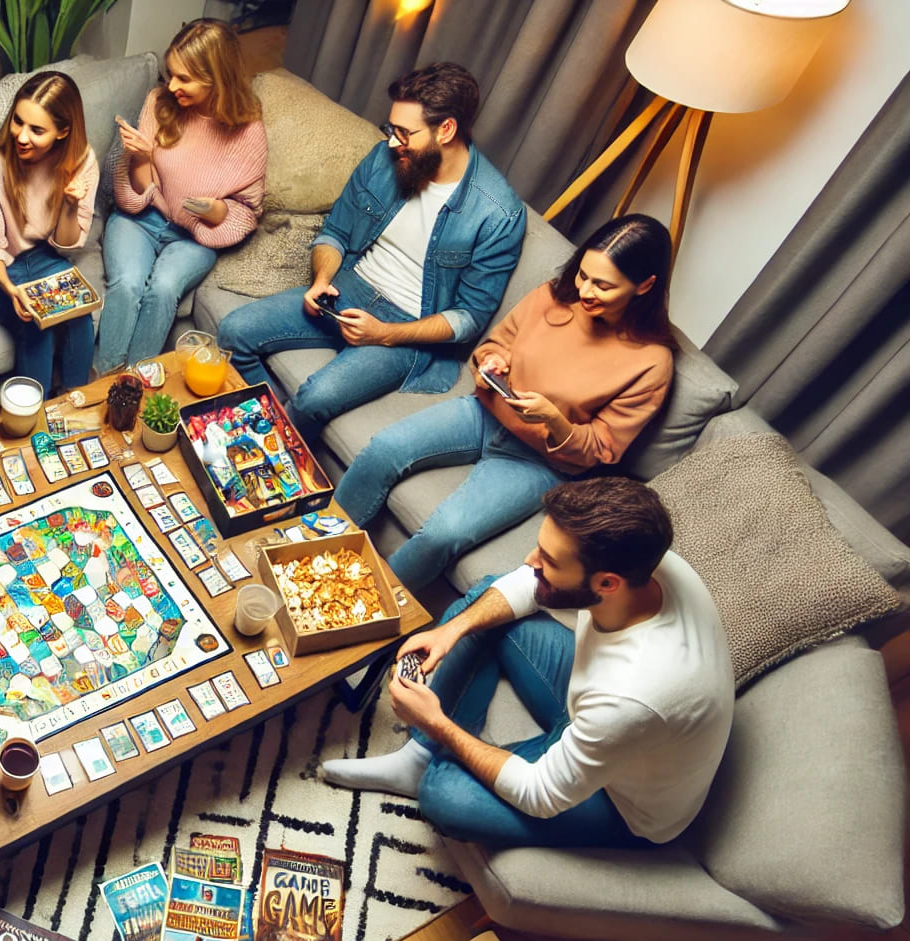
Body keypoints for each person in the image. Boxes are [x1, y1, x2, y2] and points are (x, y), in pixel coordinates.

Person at [321, 479, 733, 849]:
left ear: (607, 583)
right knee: (487, 599)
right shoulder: (646, 563)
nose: (530, 558)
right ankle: (418, 756)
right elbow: (526, 585)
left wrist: (438, 725)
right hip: (598, 711)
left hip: (622, 799)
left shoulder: (633, 694)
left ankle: (428, 758)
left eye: (549, 561)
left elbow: (541, 794)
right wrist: (451, 632)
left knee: (442, 796)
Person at [332, 214, 677, 591]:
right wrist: (492, 361)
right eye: (583, 275)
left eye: (603, 285)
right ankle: (314, 548)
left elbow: (600, 450)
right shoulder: (554, 295)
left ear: (645, 285)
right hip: (484, 412)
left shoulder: (651, 363)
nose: (585, 291)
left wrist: (554, 420)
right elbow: (497, 343)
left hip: (538, 463)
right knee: (383, 449)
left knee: (444, 533)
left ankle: (361, 605)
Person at [219, 63, 523, 435]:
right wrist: (323, 278)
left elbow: (468, 318)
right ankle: (261, 432)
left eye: (404, 133)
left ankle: (268, 449)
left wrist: (385, 334)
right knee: (234, 330)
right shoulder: (384, 159)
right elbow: (335, 233)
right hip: (348, 289)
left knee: (316, 397)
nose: (393, 142)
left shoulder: (497, 212)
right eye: (391, 129)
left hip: (408, 324)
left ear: (446, 130)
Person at [99, 18, 265, 372]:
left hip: (194, 237)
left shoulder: (248, 132)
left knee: (163, 288)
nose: (171, 85)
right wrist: (141, 157)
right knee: (127, 285)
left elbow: (247, 212)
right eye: (170, 73)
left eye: (185, 78)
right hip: (141, 220)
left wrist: (217, 211)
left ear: (217, 78)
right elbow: (133, 195)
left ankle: (136, 383)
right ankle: (103, 379)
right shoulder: (159, 102)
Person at [0, 70, 100, 395]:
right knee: (36, 323)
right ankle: (35, 417)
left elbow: (68, 243)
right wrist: (11, 290)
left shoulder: (83, 161)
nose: (21, 136)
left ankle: (76, 403)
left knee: (79, 312)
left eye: (37, 130)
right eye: (18, 121)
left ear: (63, 131)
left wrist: (69, 204)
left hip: (42, 254)